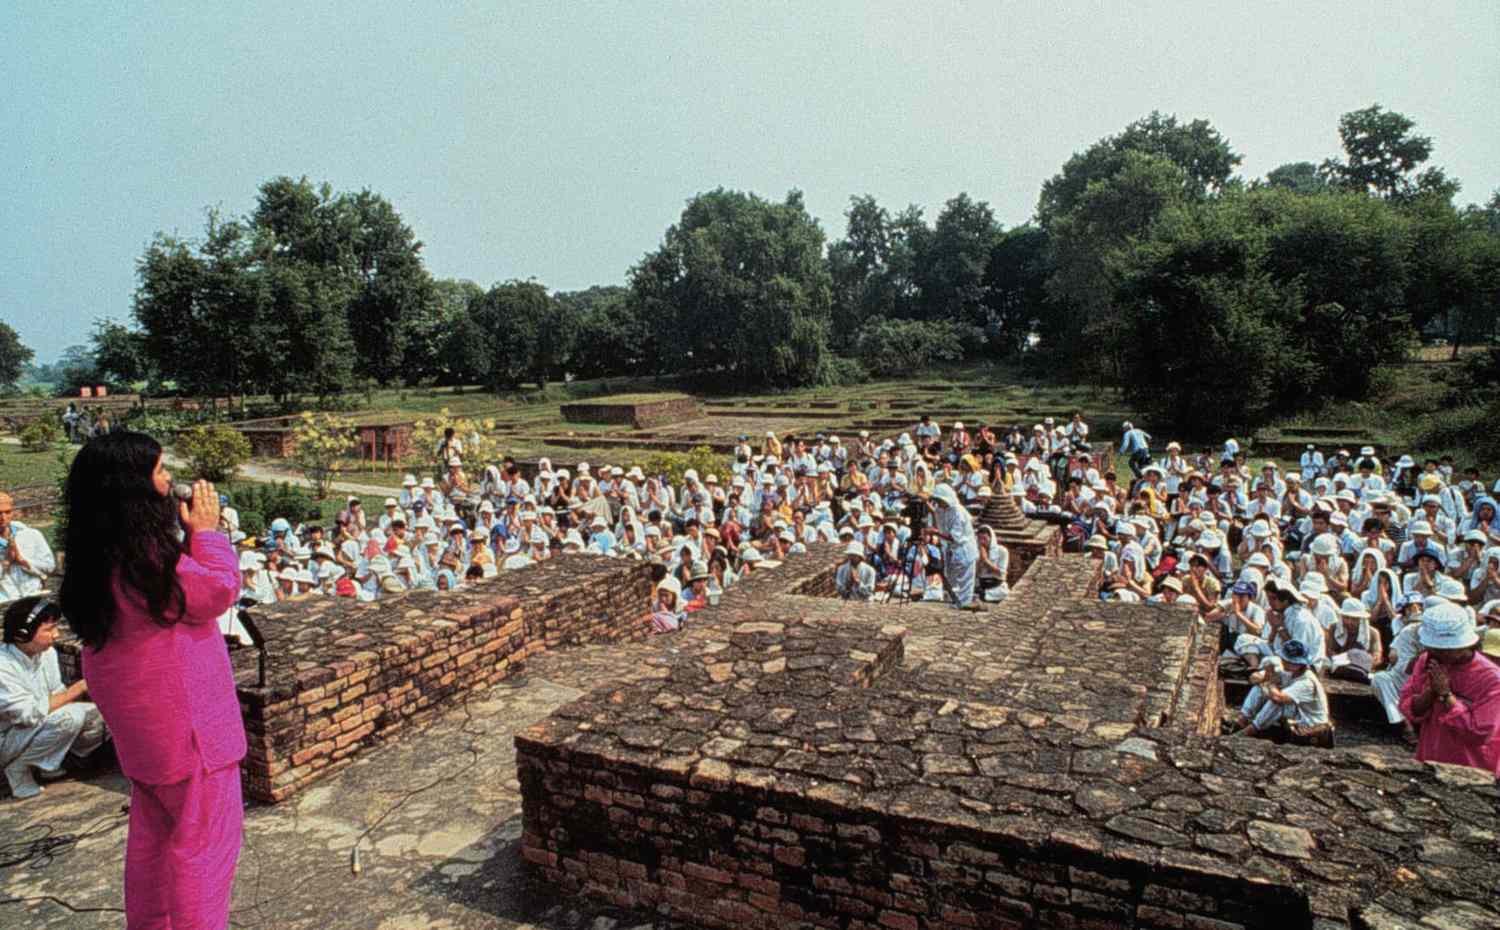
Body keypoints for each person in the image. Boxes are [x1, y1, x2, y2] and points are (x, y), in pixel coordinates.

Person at [58, 432, 244, 928]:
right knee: (203, 853)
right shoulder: (148, 564)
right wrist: (208, 534)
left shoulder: (98, 560)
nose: (169, 483)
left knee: (155, 849)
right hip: (191, 735)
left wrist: (186, 541)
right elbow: (218, 590)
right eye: (161, 473)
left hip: (146, 739)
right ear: (134, 489)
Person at [0, 596, 109, 798]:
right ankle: (18, 769)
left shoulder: (46, 653)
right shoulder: (3, 665)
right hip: (8, 737)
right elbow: (27, 715)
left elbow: (56, 693)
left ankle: (50, 762)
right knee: (70, 717)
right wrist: (77, 689)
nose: (56, 635)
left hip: (31, 729)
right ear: (22, 634)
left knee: (105, 715)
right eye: (48, 630)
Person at [1397, 603, 1500, 775]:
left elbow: (1480, 733)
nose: (1440, 654)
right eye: (1435, 649)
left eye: (1447, 650)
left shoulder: (1492, 680)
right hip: (1431, 758)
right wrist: (1431, 692)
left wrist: (1446, 696)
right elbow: (1408, 706)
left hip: (1473, 768)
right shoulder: (1427, 661)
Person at [0, 491, 58, 603]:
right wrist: (6, 562)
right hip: (4, 603)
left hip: (34, 596)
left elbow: (49, 566)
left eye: (7, 512)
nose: (3, 517)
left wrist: (21, 560)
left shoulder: (31, 535)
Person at [928, 484, 979, 609]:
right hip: (951, 549)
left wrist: (934, 532)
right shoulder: (941, 510)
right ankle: (954, 602)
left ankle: (963, 605)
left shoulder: (958, 513)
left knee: (965, 580)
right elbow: (941, 527)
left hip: (964, 549)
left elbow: (953, 536)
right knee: (952, 579)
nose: (939, 504)